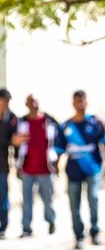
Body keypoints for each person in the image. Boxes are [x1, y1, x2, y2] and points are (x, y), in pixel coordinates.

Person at [58, 90, 105, 249]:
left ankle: (95, 232)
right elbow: (60, 148)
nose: (80, 104)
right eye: (77, 101)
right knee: (74, 204)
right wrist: (55, 167)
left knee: (93, 199)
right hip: (73, 170)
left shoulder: (96, 123)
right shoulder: (67, 125)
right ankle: (79, 236)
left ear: (86, 102)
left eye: (82, 101)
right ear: (73, 103)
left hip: (93, 168)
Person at [13, 95, 60, 238]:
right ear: (26, 104)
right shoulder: (21, 122)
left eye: (36, 100)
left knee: (48, 198)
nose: (34, 103)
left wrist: (56, 163)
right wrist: (17, 165)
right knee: (27, 200)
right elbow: (15, 145)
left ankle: (51, 222)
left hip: (46, 169)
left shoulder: (49, 121)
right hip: (27, 169)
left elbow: (58, 142)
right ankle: (26, 228)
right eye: (31, 101)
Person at [0, 89, 16, 239]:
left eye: (7, 101)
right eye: (2, 101)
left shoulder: (12, 119)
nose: (5, 104)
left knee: (3, 196)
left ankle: (3, 226)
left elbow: (16, 142)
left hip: (2, 164)